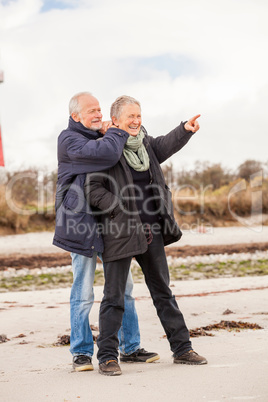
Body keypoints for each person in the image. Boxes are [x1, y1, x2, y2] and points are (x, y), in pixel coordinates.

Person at [85, 95, 208, 376]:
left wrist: (185, 130)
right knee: (114, 296)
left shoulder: (146, 144)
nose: (136, 121)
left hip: (151, 230)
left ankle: (182, 348)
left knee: (163, 292)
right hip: (120, 232)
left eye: (139, 116)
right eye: (130, 117)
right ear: (115, 120)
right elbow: (93, 190)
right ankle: (107, 356)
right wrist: (118, 207)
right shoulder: (104, 149)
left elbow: (165, 143)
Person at [53, 92, 159, 372]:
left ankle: (131, 346)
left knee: (124, 288)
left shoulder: (98, 136)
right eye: (91, 110)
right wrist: (113, 131)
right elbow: (107, 153)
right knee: (83, 290)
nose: (97, 113)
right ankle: (81, 353)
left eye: (99, 108)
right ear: (76, 116)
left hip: (109, 225)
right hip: (82, 225)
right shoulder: (70, 139)